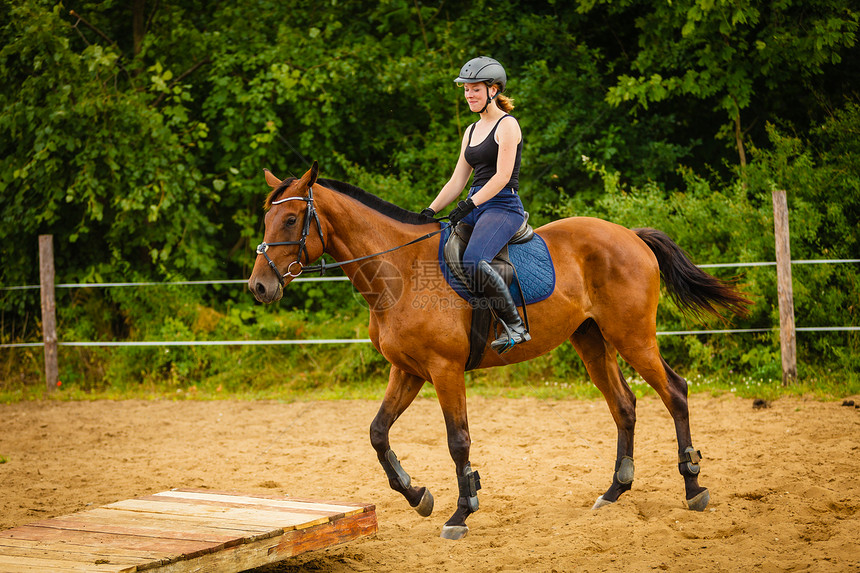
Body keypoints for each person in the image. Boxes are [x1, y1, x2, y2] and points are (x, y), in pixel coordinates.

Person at [420, 56, 530, 354]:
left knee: (473, 260)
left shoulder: (508, 125)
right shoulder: (471, 130)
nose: (469, 94)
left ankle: (515, 326)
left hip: (503, 206)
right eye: (466, 89)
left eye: (475, 89)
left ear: (493, 90)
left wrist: (469, 204)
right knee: (434, 249)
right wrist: (429, 211)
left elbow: (502, 177)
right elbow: (457, 180)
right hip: (477, 204)